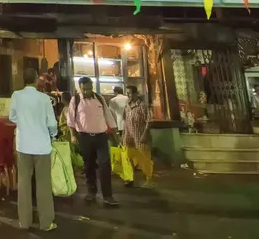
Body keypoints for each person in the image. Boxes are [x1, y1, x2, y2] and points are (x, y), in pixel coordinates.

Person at [9, 68, 58, 232]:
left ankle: (24, 221)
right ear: (37, 79)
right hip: (42, 146)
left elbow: (12, 117)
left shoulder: (16, 96)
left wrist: (23, 123)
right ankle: (46, 223)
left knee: (23, 183)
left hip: (24, 145)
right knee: (43, 184)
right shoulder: (44, 98)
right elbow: (52, 123)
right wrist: (53, 134)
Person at [68, 76, 119, 207]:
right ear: (80, 88)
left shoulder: (100, 99)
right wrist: (73, 136)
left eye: (89, 88)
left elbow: (108, 116)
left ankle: (108, 195)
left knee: (104, 165)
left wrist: (115, 134)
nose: (87, 91)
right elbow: (71, 121)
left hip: (101, 137)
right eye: (85, 89)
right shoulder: (76, 100)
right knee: (88, 165)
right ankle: (91, 192)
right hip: (84, 137)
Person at [123, 85, 154, 188]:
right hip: (128, 135)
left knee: (144, 158)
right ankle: (129, 178)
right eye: (127, 93)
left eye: (130, 93)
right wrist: (123, 135)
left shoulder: (142, 106)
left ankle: (149, 179)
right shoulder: (127, 106)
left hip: (139, 135)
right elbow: (125, 121)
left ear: (136, 94)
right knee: (128, 157)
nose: (128, 95)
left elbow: (148, 122)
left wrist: (145, 135)